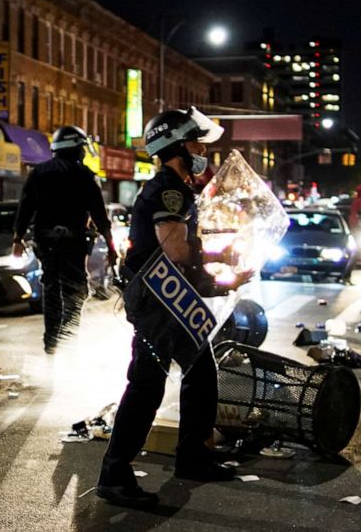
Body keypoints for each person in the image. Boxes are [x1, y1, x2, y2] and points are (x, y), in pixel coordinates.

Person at [98, 107, 249, 508]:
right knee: (147, 383)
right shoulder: (169, 188)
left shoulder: (181, 187)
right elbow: (176, 248)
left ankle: (193, 456)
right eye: (197, 142)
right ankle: (114, 473)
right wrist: (219, 250)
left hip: (174, 300)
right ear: (177, 146)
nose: (203, 150)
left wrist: (224, 277)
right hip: (156, 303)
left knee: (201, 373)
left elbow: (182, 258)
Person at [12, 126, 116, 354]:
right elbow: (99, 214)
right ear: (76, 149)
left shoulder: (38, 173)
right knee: (75, 291)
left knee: (50, 289)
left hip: (46, 243)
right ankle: (69, 340)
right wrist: (110, 246)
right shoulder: (84, 175)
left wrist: (18, 237)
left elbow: (25, 207)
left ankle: (51, 342)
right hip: (74, 243)